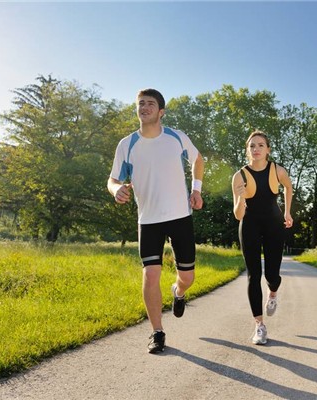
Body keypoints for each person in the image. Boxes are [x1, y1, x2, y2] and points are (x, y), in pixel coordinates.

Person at [107, 88, 204, 354]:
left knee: (188, 277)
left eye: (150, 103)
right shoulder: (126, 144)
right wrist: (116, 190)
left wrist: (196, 189)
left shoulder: (176, 138)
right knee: (150, 274)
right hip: (148, 220)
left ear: (161, 112)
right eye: (141, 103)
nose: (144, 107)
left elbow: (198, 160)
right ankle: (157, 332)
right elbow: (112, 179)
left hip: (180, 217)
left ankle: (179, 292)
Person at [231, 130, 293, 345]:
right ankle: (259, 325)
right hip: (249, 225)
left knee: (273, 275)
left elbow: (288, 186)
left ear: (268, 149)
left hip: (274, 224)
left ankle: (273, 293)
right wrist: (240, 198)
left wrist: (287, 212)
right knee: (253, 274)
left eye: (260, 145)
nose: (255, 149)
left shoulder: (278, 170)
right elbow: (238, 215)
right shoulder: (239, 176)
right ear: (247, 150)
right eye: (252, 146)